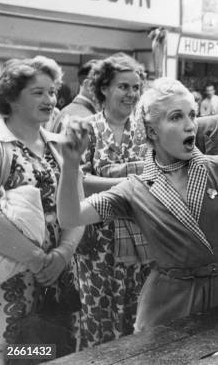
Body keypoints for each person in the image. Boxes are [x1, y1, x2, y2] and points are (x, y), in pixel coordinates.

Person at [57, 78, 218, 333]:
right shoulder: (135, 188)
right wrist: (70, 165)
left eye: (192, 115)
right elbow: (70, 217)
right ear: (152, 131)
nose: (190, 126)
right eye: (176, 117)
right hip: (168, 302)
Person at [0, 56, 83, 362]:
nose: (50, 99)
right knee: (19, 355)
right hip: (13, 281)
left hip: (59, 279)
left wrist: (63, 254)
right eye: (38, 92)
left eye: (52, 91)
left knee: (57, 352)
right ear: (11, 96)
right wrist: (38, 260)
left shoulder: (60, 144)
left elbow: (78, 205)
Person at [74, 54, 151, 348]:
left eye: (135, 87)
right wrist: (129, 182)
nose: (131, 94)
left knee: (138, 317)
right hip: (97, 243)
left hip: (140, 238)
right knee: (98, 317)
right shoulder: (86, 128)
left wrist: (109, 181)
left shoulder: (147, 129)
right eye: (123, 86)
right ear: (104, 87)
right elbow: (77, 180)